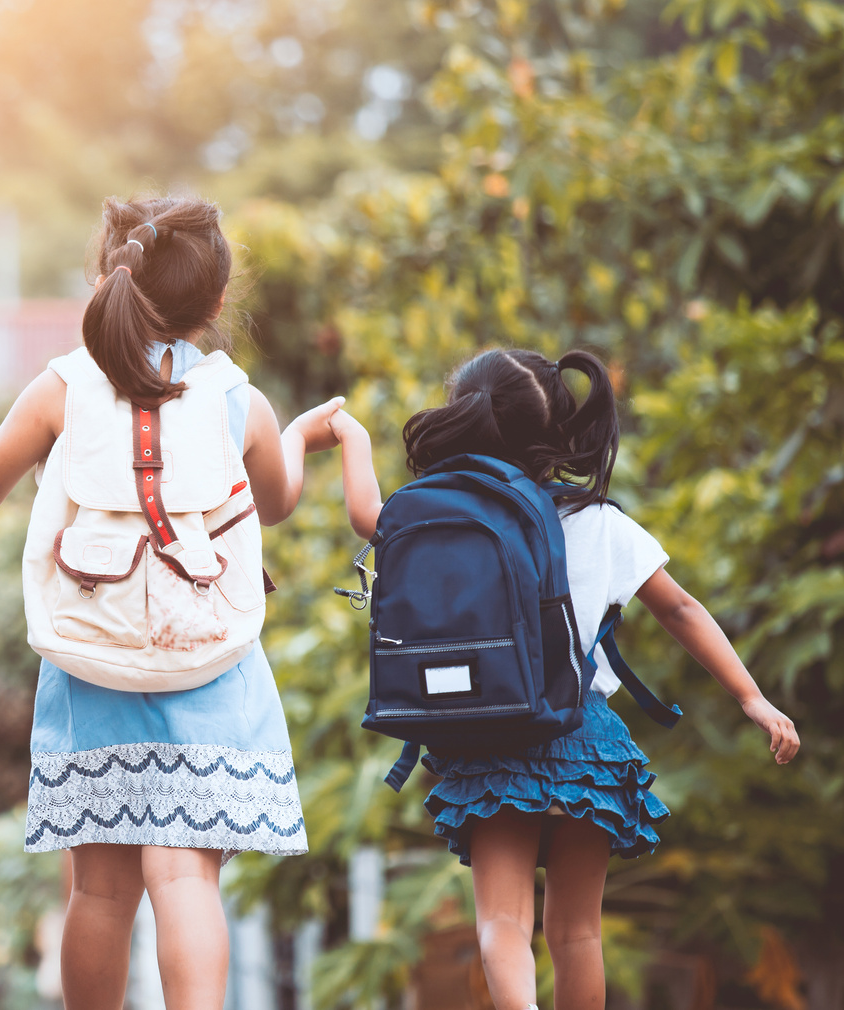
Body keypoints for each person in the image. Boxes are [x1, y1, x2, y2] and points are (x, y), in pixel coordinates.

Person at [0, 195, 346, 1010]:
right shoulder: (241, 402)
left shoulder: (58, 391)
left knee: (98, 891)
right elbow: (274, 503)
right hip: (210, 661)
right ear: (218, 302)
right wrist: (297, 438)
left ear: (106, 276)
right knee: (184, 875)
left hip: (95, 664)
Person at [328, 348, 800, 1010]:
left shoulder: (439, 514)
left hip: (489, 740)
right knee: (577, 933)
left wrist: (348, 435)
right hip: (584, 742)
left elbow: (365, 516)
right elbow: (681, 609)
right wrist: (751, 697)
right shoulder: (597, 522)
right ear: (553, 432)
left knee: (502, 924)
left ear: (461, 418)